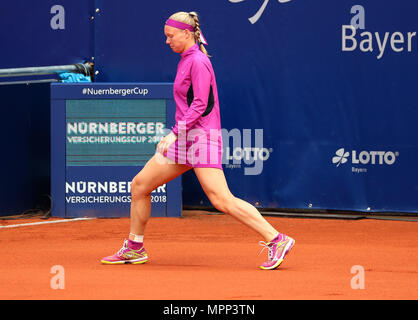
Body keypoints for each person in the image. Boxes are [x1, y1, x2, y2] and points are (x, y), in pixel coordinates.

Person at [101, 11, 295, 270]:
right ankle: (135, 248)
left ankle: (277, 239)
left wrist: (174, 132)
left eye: (170, 36)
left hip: (201, 138)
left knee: (221, 199)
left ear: (186, 33)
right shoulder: (185, 59)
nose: (167, 41)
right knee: (140, 185)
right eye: (165, 37)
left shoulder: (199, 62)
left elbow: (201, 104)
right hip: (186, 139)